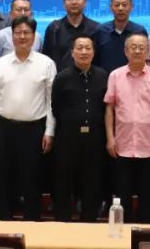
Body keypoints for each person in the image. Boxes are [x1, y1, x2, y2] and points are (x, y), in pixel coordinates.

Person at [0, 15, 56, 221]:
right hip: (4, 130)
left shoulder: (46, 63)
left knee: (32, 183)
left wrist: (49, 131)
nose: (22, 36)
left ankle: (32, 227)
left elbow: (51, 102)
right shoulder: (0, 64)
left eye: (27, 33)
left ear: (34, 36)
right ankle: (2, 228)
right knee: (3, 183)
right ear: (11, 35)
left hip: (34, 131)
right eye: (18, 33)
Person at [105, 34, 150, 223]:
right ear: (125, 51)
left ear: (147, 51)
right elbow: (109, 109)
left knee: (147, 196)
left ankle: (145, 232)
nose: (137, 50)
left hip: (149, 146)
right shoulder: (115, 75)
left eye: (141, 47)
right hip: (122, 145)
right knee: (121, 197)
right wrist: (110, 138)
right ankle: (122, 233)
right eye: (133, 47)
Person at [51, 35, 108, 222]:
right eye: (80, 48)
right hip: (68, 139)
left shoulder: (103, 76)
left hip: (95, 139)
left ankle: (89, 222)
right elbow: (55, 107)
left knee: (92, 182)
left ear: (94, 52)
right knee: (63, 183)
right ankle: (62, 223)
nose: (84, 52)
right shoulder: (62, 77)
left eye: (88, 48)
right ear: (72, 52)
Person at [43, 0, 99, 70]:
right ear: (64, 3)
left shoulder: (96, 29)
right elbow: (46, 59)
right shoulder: (54, 29)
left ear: (85, 2)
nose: (74, 2)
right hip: (59, 77)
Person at [92, 0, 148, 73]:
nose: (120, 8)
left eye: (124, 5)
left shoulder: (140, 31)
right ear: (111, 7)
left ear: (131, 6)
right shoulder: (100, 31)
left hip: (133, 78)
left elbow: (145, 58)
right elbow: (94, 59)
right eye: (117, 5)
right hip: (105, 79)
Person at [0, 0, 43, 73]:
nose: (23, 13)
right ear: (11, 14)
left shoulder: (37, 37)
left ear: (31, 14)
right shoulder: (0, 36)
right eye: (19, 10)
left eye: (26, 10)